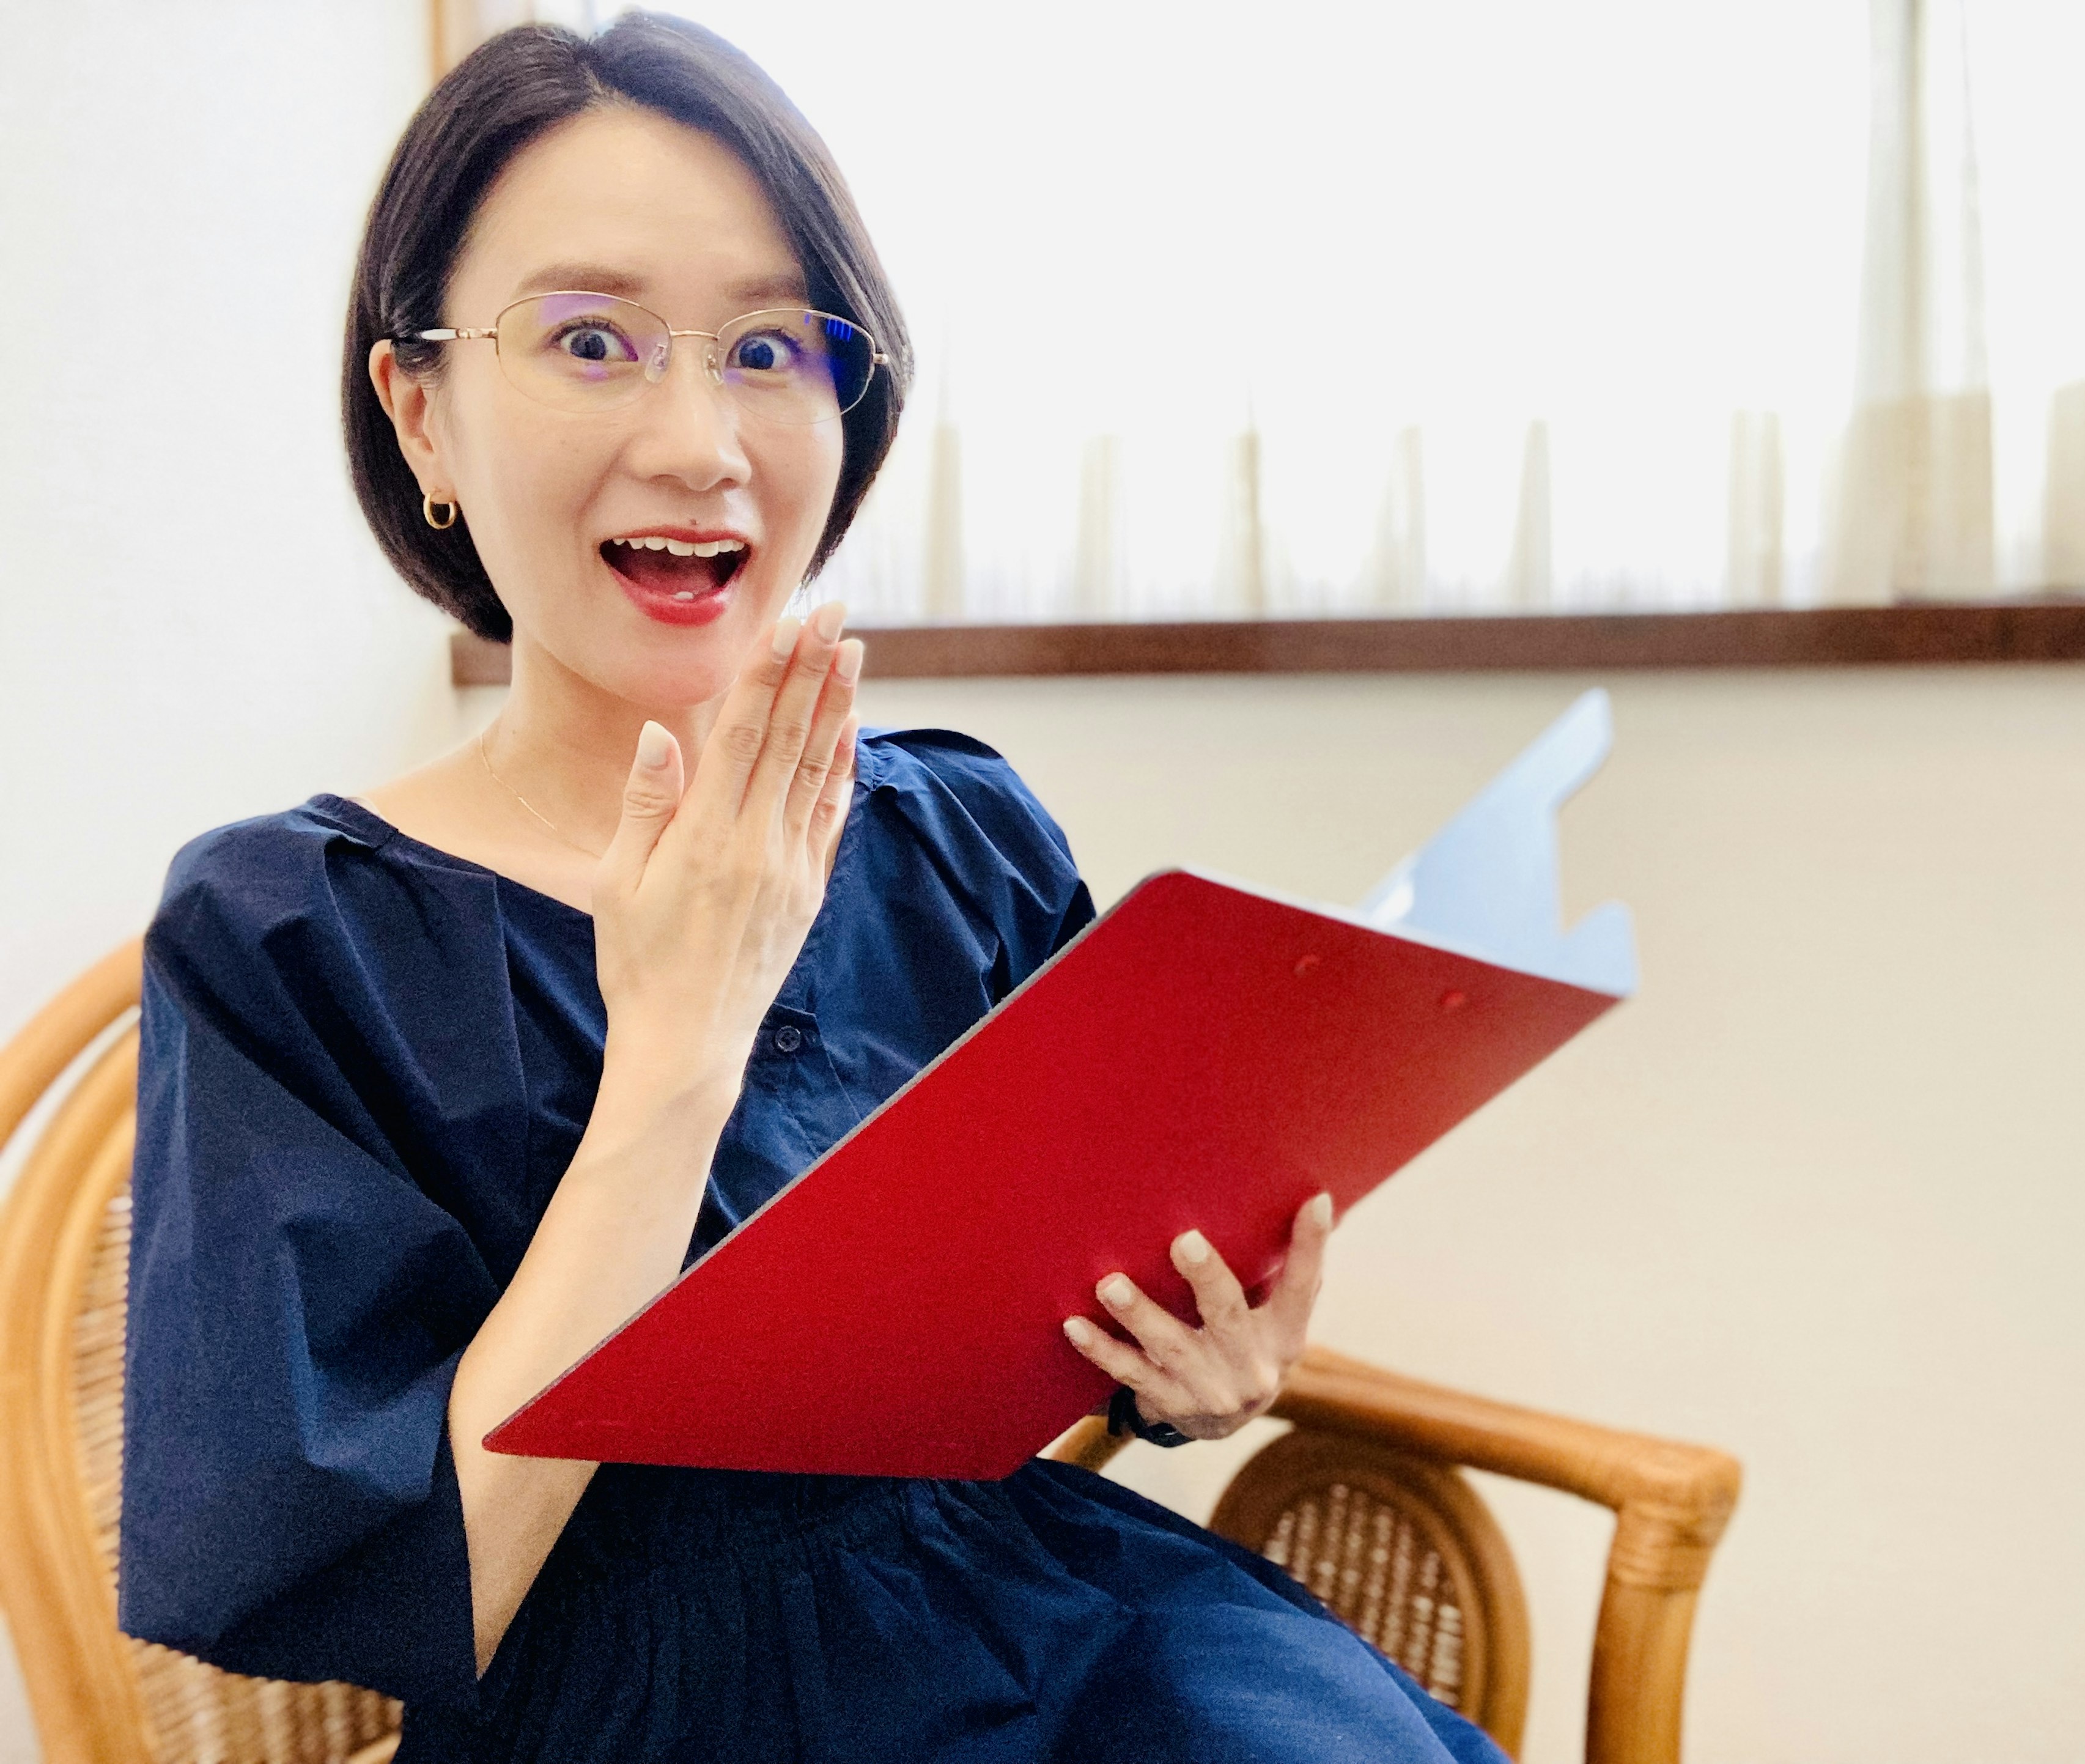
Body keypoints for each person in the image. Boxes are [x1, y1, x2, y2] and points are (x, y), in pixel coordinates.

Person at [119, 17, 1507, 1763]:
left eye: (772, 346)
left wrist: (1194, 1358)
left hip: (1053, 1627)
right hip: (630, 1713)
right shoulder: (288, 937)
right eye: (594, 340)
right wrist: (678, 1051)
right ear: (424, 413)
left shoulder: (957, 832)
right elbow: (414, 1598)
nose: (702, 441)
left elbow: (1056, 1315)